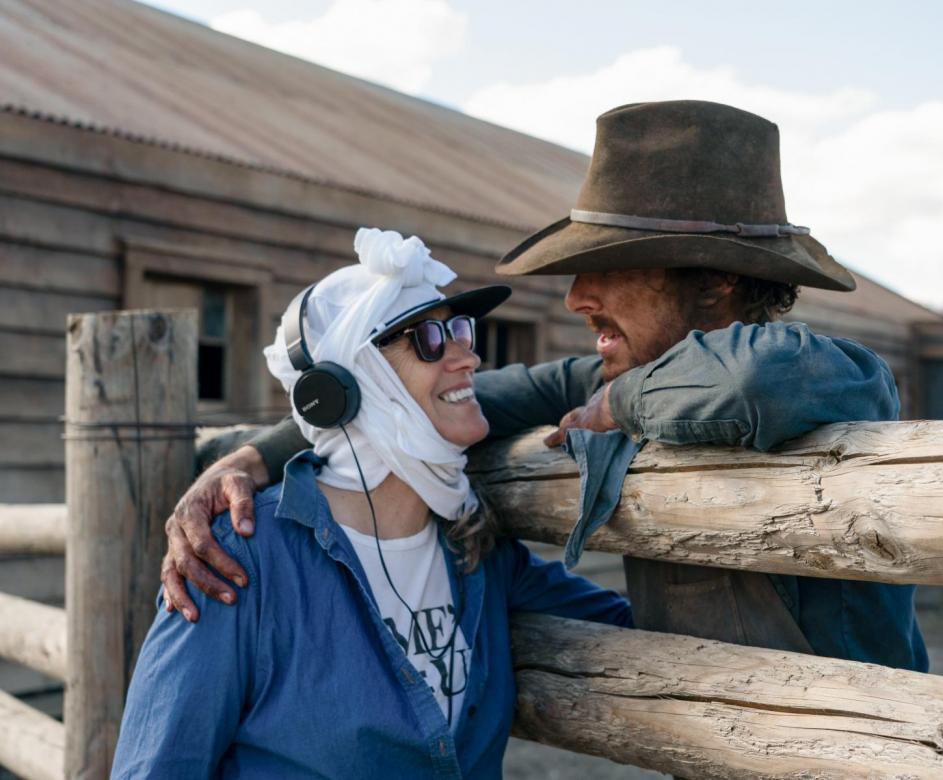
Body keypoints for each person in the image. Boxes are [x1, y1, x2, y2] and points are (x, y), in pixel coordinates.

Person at [162, 100, 928, 671]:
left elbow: (750, 386)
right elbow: (430, 402)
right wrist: (251, 461)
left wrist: (614, 407)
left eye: (612, 269)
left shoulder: (825, 372)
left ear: (717, 282)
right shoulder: (610, 373)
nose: (576, 298)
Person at [112, 229, 632, 778]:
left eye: (460, 330)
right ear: (347, 383)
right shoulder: (241, 559)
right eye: (430, 339)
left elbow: (636, 630)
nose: (468, 356)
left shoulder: (478, 553)